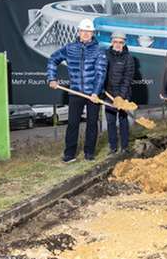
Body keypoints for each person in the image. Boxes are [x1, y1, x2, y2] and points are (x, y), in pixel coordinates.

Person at [47, 18, 108, 163]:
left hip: (93, 94)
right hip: (75, 92)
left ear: (93, 33)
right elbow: (53, 59)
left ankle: (89, 152)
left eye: (89, 31)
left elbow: (101, 73)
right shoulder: (69, 48)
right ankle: (69, 154)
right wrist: (51, 78)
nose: (86, 34)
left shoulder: (99, 50)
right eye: (83, 31)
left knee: (92, 124)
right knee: (73, 123)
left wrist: (95, 92)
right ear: (79, 32)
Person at [104, 30, 135, 154]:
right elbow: (102, 74)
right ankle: (113, 147)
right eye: (115, 42)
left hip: (123, 96)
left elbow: (127, 79)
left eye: (120, 42)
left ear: (124, 43)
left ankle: (125, 147)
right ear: (111, 42)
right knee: (111, 122)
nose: (117, 44)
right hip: (108, 95)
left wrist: (120, 98)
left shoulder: (128, 58)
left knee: (123, 121)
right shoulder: (105, 55)